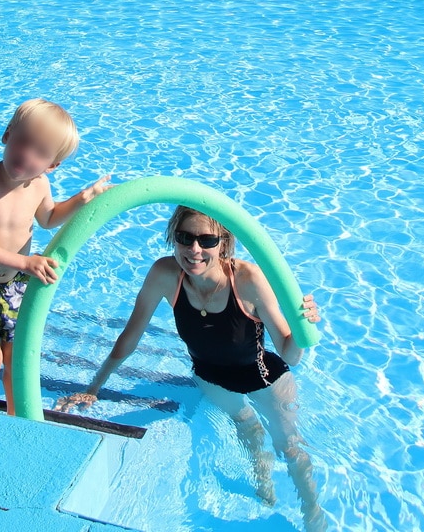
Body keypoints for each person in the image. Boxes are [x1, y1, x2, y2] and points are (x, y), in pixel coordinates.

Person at [58, 206, 326, 531]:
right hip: (210, 379)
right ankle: (262, 474)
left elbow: (290, 353)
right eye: (185, 238)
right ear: (174, 239)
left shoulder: (247, 280)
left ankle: (312, 512)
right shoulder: (165, 275)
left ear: (223, 244)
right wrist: (94, 386)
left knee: (290, 447)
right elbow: (131, 335)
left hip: (264, 380)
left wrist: (302, 328)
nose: (194, 249)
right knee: (247, 428)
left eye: (207, 240)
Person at [0, 98, 112, 414]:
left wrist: (84, 198)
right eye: (22, 141)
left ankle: (15, 414)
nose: (27, 154)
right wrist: (26, 262)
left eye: (40, 153)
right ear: (7, 135)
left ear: (52, 165)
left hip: (14, 287)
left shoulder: (40, 185)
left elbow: (49, 218)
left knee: (14, 358)